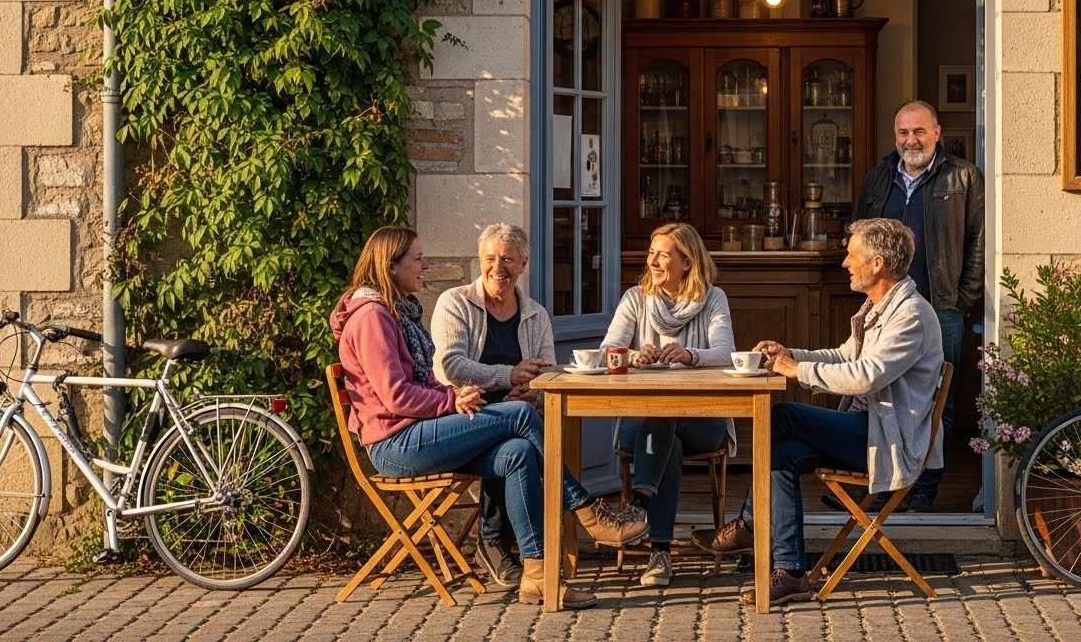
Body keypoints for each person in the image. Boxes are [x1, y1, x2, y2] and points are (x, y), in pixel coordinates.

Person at [330, 226, 648, 609]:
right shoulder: (372, 319)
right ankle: (587, 511)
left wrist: (456, 397)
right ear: (391, 264)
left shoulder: (399, 313)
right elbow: (397, 395)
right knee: (517, 416)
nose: (425, 265)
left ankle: (537, 577)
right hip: (396, 444)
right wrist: (453, 399)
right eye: (417, 258)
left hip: (421, 430)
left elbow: (425, 381)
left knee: (517, 451)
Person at [692, 218, 944, 605]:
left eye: (851, 254)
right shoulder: (880, 306)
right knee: (781, 455)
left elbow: (866, 377)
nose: (845, 262)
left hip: (886, 440)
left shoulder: (910, 314)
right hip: (866, 429)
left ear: (877, 263)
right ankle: (792, 572)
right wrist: (793, 355)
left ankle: (747, 525)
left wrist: (795, 371)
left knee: (781, 416)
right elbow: (845, 356)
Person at [851, 99, 983, 513]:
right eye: (904, 133)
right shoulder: (878, 178)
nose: (911, 140)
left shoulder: (963, 176)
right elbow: (859, 235)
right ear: (896, 136)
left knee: (933, 404)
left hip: (941, 306)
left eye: (919, 131)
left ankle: (924, 490)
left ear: (937, 133)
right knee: (878, 396)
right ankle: (883, 488)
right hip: (886, 308)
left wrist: (961, 300)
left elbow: (979, 241)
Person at [602, 222, 736, 588]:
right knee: (665, 433)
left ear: (687, 261)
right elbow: (606, 352)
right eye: (651, 253)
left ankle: (640, 512)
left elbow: (726, 353)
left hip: (703, 423)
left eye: (663, 254)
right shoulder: (635, 298)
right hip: (642, 428)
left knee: (667, 417)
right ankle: (659, 549)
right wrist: (631, 355)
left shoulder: (713, 298)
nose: (654, 261)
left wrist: (691, 354)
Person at [430, 223, 553, 589]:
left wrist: (532, 392)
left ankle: (501, 545)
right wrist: (509, 376)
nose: (498, 267)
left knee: (516, 443)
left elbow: (550, 373)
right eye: (490, 258)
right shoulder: (456, 302)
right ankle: (572, 508)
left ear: (523, 265)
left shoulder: (536, 315)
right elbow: (452, 365)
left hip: (519, 414)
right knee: (517, 431)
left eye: (508, 260)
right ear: (479, 261)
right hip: (465, 417)